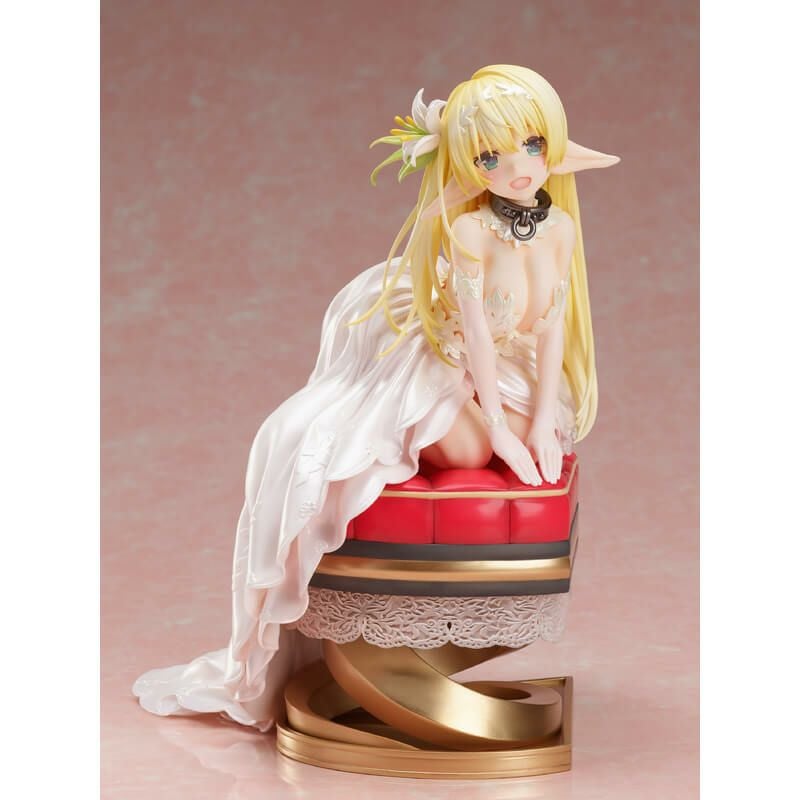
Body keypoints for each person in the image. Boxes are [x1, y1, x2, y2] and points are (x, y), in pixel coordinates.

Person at [132, 63, 620, 732]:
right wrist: (500, 430)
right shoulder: (469, 232)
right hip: (452, 358)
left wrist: (536, 422)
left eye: (532, 146)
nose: (516, 168)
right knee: (463, 447)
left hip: (514, 369)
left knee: (530, 437)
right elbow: (475, 333)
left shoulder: (559, 227)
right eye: (490, 156)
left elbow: (555, 322)